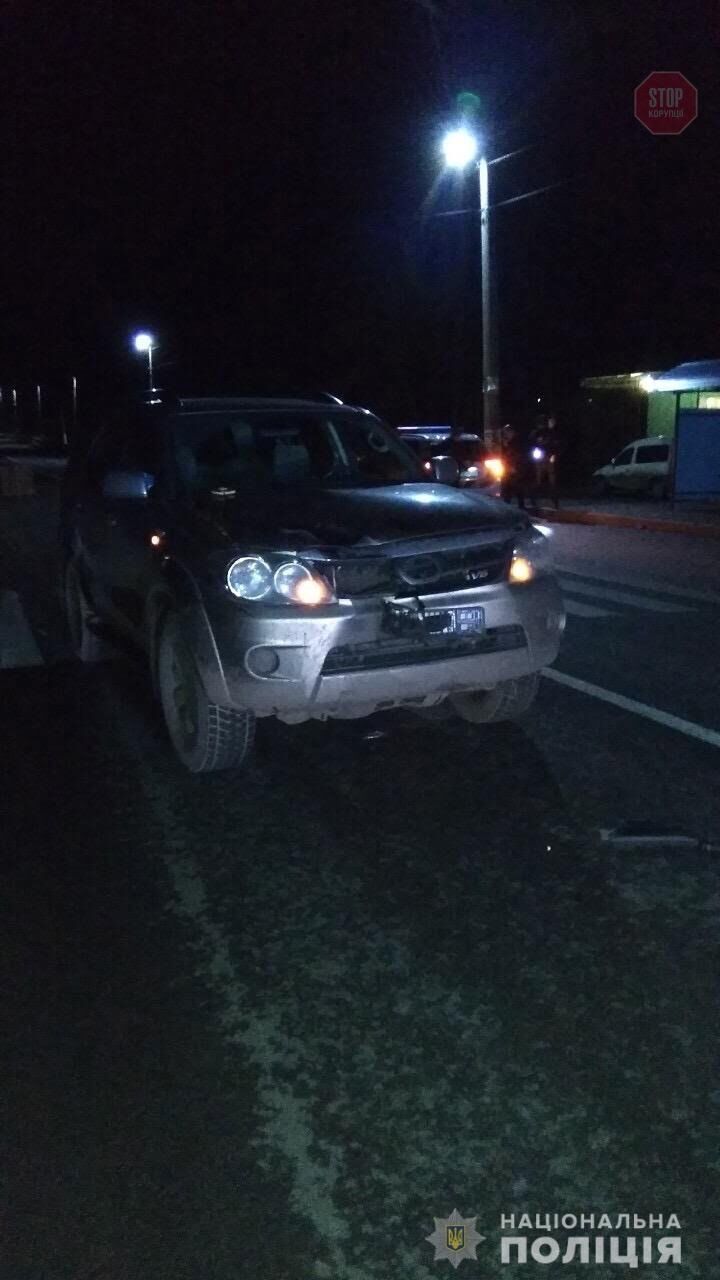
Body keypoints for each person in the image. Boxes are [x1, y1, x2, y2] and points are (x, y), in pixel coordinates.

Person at [530, 415, 562, 509]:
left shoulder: (552, 433)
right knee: (538, 479)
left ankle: (554, 501)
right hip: (541, 458)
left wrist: (554, 455)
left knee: (552, 480)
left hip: (549, 457)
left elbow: (556, 444)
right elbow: (533, 444)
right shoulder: (537, 433)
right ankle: (534, 498)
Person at [499, 423, 527, 508]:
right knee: (508, 488)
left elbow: (518, 455)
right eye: (505, 432)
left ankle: (521, 506)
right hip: (507, 468)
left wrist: (514, 467)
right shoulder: (505, 443)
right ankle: (507, 505)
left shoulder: (516, 443)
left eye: (508, 432)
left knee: (517, 487)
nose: (506, 434)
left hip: (515, 468)